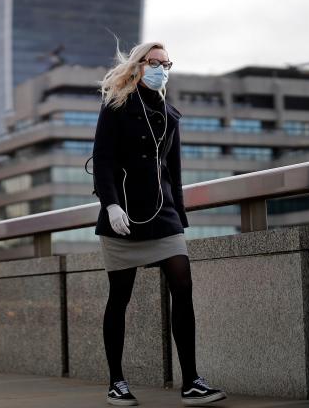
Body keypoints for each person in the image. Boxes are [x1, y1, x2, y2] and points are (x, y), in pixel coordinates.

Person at [93, 41, 227, 407]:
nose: (160, 69)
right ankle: (116, 381)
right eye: (154, 62)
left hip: (164, 214)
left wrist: (179, 215)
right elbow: (102, 160)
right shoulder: (116, 106)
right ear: (138, 66)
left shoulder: (170, 114)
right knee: (119, 296)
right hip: (123, 214)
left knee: (183, 285)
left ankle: (191, 381)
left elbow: (175, 173)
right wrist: (110, 206)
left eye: (165, 63)